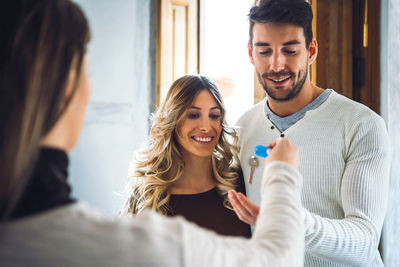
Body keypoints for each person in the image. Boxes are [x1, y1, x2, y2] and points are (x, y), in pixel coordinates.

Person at [0, 0, 305, 266]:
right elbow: (278, 260)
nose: (206, 126)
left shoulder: (235, 185)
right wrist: (282, 172)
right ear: (68, 86)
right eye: (86, 70)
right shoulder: (139, 241)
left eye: (214, 115)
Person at [229, 0, 391, 266]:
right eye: (264, 51)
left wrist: (289, 219)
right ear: (250, 53)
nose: (276, 64)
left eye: (290, 51)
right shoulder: (243, 127)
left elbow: (364, 242)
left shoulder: (361, 125)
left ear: (311, 50)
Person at [121, 75, 250, 237]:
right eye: (193, 115)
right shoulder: (148, 194)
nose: (206, 127)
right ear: (173, 120)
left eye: (214, 115)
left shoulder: (239, 183)